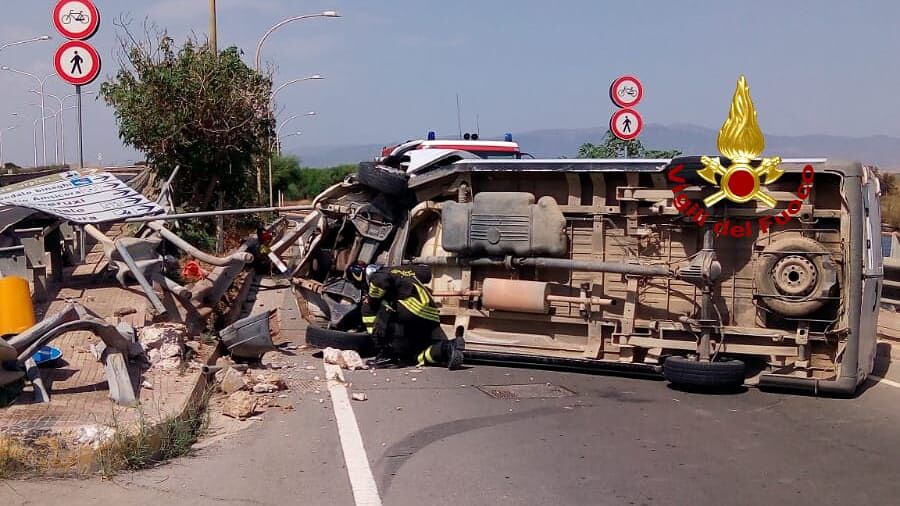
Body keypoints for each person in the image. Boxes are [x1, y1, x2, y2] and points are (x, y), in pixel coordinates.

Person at [345, 262, 463, 369]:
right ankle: (448, 347)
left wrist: (370, 299)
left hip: (413, 310)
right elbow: (426, 273)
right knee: (414, 356)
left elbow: (380, 281)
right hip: (430, 317)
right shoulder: (398, 270)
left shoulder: (379, 275)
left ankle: (385, 353)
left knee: (368, 308)